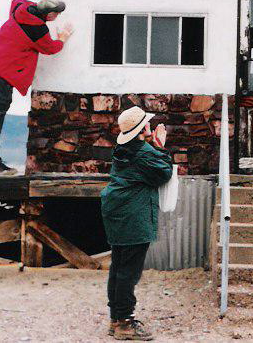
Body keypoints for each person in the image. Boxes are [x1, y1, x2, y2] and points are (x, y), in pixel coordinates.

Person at [101, 106, 173, 341]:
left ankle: (116, 317)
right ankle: (124, 323)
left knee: (119, 266)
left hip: (117, 209)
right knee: (129, 271)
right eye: (148, 124)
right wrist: (160, 146)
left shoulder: (123, 148)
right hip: (133, 213)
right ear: (143, 128)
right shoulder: (142, 151)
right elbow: (164, 173)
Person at [0, 0, 72, 175]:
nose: (57, 17)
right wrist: (62, 38)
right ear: (50, 15)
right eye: (57, 14)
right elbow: (50, 48)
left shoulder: (21, 8)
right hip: (4, 70)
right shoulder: (37, 29)